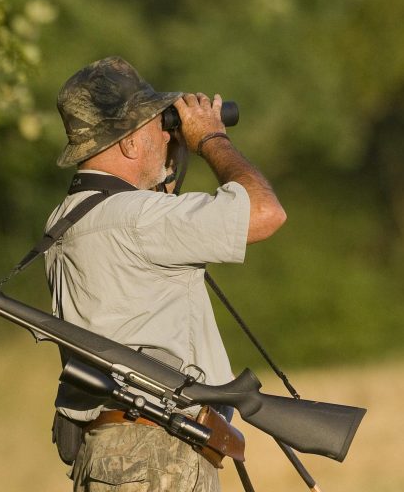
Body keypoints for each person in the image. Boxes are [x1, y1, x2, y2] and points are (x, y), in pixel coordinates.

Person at [45, 56, 286, 492]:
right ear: (130, 145)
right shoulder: (137, 220)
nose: (168, 134)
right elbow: (266, 213)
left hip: (113, 454)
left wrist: (168, 164)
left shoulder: (66, 222)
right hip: (157, 455)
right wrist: (211, 138)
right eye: (157, 125)